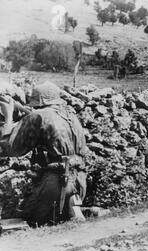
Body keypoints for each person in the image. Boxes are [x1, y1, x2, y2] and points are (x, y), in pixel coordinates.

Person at [0, 82, 88, 227]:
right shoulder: (70, 115)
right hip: (79, 180)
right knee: (57, 216)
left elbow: (10, 148)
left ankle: (65, 206)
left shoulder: (37, 116)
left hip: (56, 182)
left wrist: (8, 116)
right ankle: (73, 205)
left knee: (30, 219)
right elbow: (50, 127)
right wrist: (29, 114)